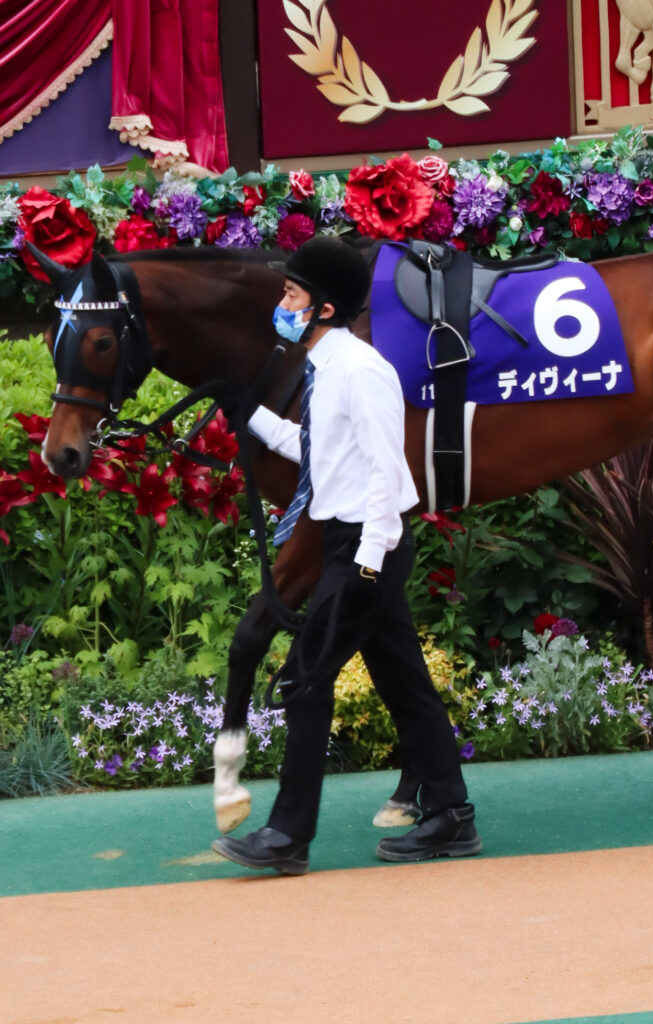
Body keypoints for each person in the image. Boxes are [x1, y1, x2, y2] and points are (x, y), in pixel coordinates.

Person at [212, 236, 480, 875]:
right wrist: (250, 414)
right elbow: (317, 450)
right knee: (404, 682)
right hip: (351, 541)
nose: (282, 304)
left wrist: (366, 563)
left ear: (325, 308)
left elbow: (388, 469)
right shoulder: (325, 367)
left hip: (366, 544)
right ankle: (451, 814)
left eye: (291, 294)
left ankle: (287, 836)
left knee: (304, 681)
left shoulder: (361, 371)